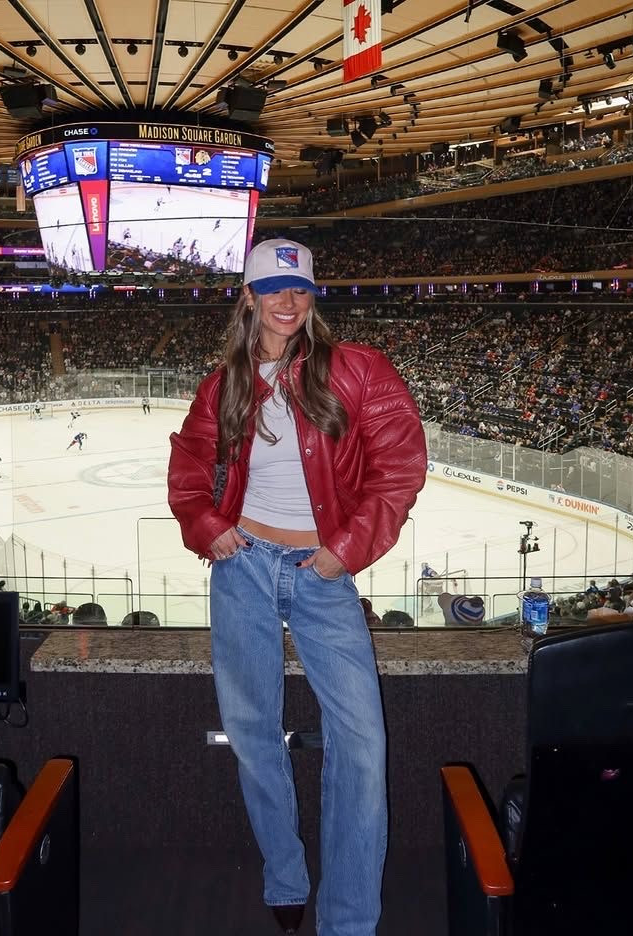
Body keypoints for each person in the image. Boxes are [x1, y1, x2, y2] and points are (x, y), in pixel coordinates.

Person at [167, 238, 427, 936]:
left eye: (301, 289)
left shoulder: (359, 370)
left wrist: (346, 550)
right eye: (274, 287)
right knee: (252, 733)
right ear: (248, 296)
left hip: (322, 571)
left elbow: (399, 467)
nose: (288, 300)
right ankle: (284, 872)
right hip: (242, 567)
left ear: (313, 298)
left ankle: (348, 920)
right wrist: (205, 522)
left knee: (362, 743)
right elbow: (189, 466)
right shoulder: (223, 383)